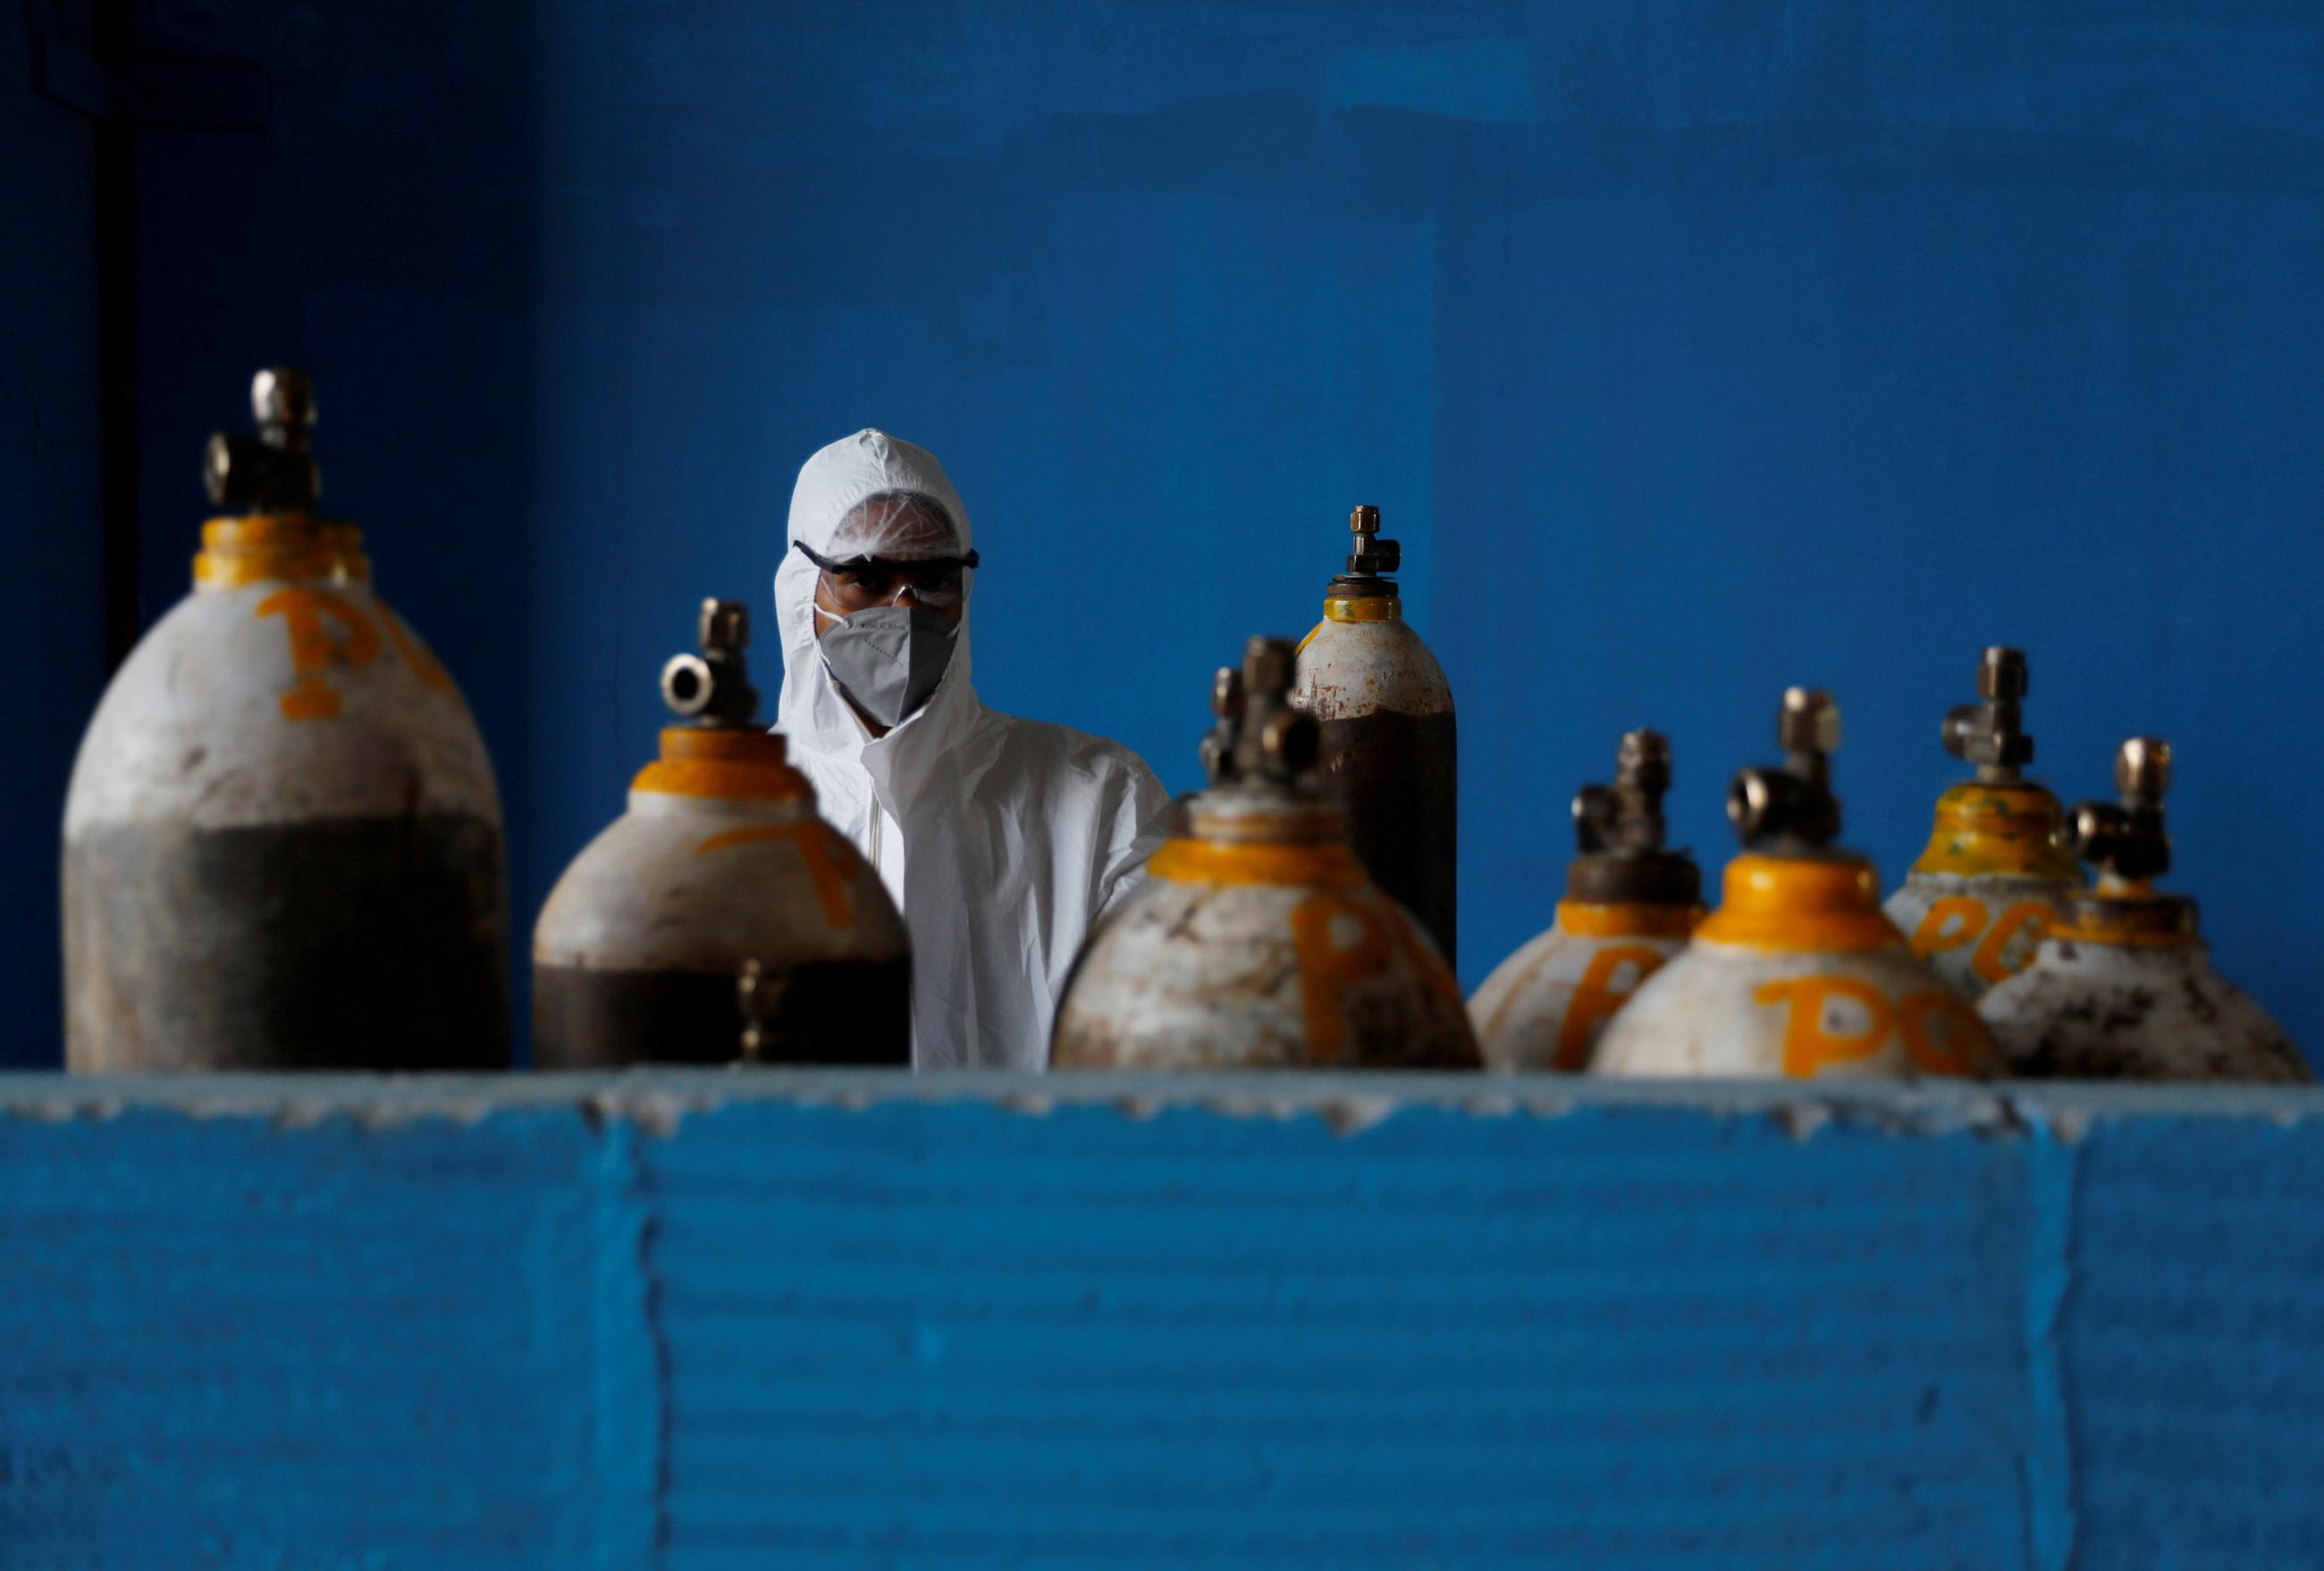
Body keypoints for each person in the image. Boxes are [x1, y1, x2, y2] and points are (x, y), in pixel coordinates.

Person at [773, 429, 1172, 1069]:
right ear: (803, 591)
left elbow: (1170, 1033)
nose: (903, 609)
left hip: (1030, 1167)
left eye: (932, 579)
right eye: (864, 578)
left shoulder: (1099, 798)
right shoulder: (733, 814)